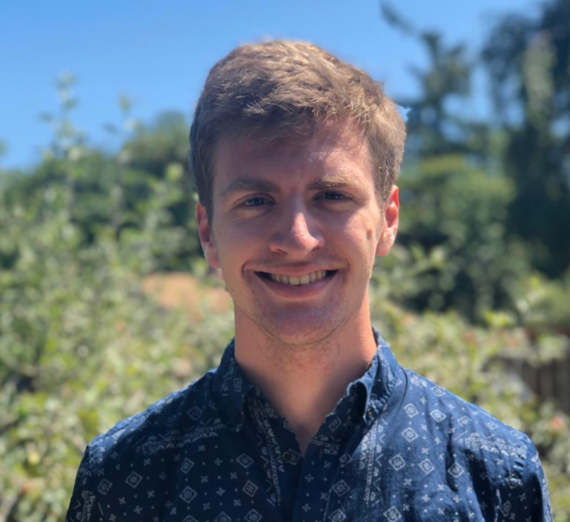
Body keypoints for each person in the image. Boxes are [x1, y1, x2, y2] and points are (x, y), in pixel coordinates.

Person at [66, 41, 552, 522]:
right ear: (208, 232)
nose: (297, 240)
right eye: (256, 200)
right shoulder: (122, 478)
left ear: (387, 221)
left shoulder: (495, 478)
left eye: (332, 196)